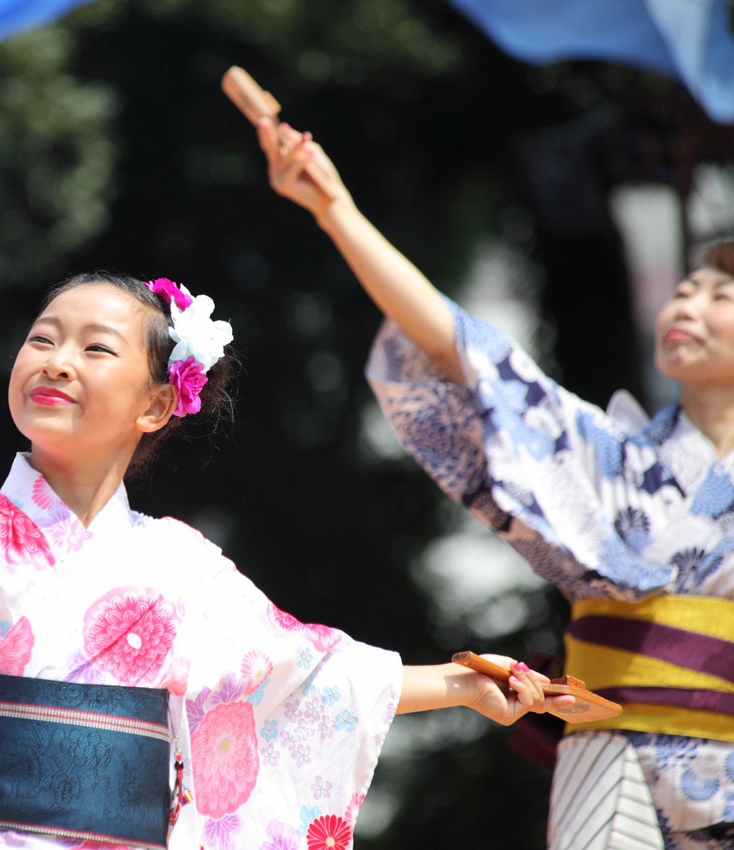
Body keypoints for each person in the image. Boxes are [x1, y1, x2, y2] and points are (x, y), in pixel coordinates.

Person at [0, 128, 571, 850]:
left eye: (95, 347)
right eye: (43, 336)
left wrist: (459, 684)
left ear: (160, 403)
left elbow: (304, 675)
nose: (56, 360)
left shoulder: (180, 566)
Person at [256, 116, 734, 850]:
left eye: (719, 297)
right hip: (614, 752)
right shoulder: (613, 459)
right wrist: (337, 212)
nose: (687, 306)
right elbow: (466, 352)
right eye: (687, 290)